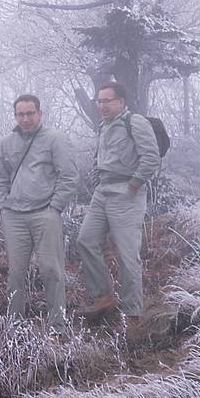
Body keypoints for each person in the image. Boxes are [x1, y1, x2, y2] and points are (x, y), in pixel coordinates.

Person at [0, 94, 78, 334]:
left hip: (45, 214)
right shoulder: (6, 143)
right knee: (15, 273)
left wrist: (55, 208)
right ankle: (14, 326)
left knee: (51, 270)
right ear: (15, 115)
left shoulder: (55, 139)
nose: (26, 118)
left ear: (40, 113)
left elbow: (69, 176)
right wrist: (3, 207)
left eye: (30, 113)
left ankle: (57, 326)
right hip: (14, 217)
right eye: (21, 114)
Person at [76, 81, 160, 323]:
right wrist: (96, 177)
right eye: (99, 101)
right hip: (103, 191)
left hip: (127, 192)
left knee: (127, 253)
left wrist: (133, 184)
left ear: (121, 102)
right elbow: (100, 157)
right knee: (86, 240)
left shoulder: (135, 122)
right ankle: (104, 298)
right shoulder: (104, 126)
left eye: (107, 100)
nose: (101, 105)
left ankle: (132, 313)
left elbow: (151, 158)